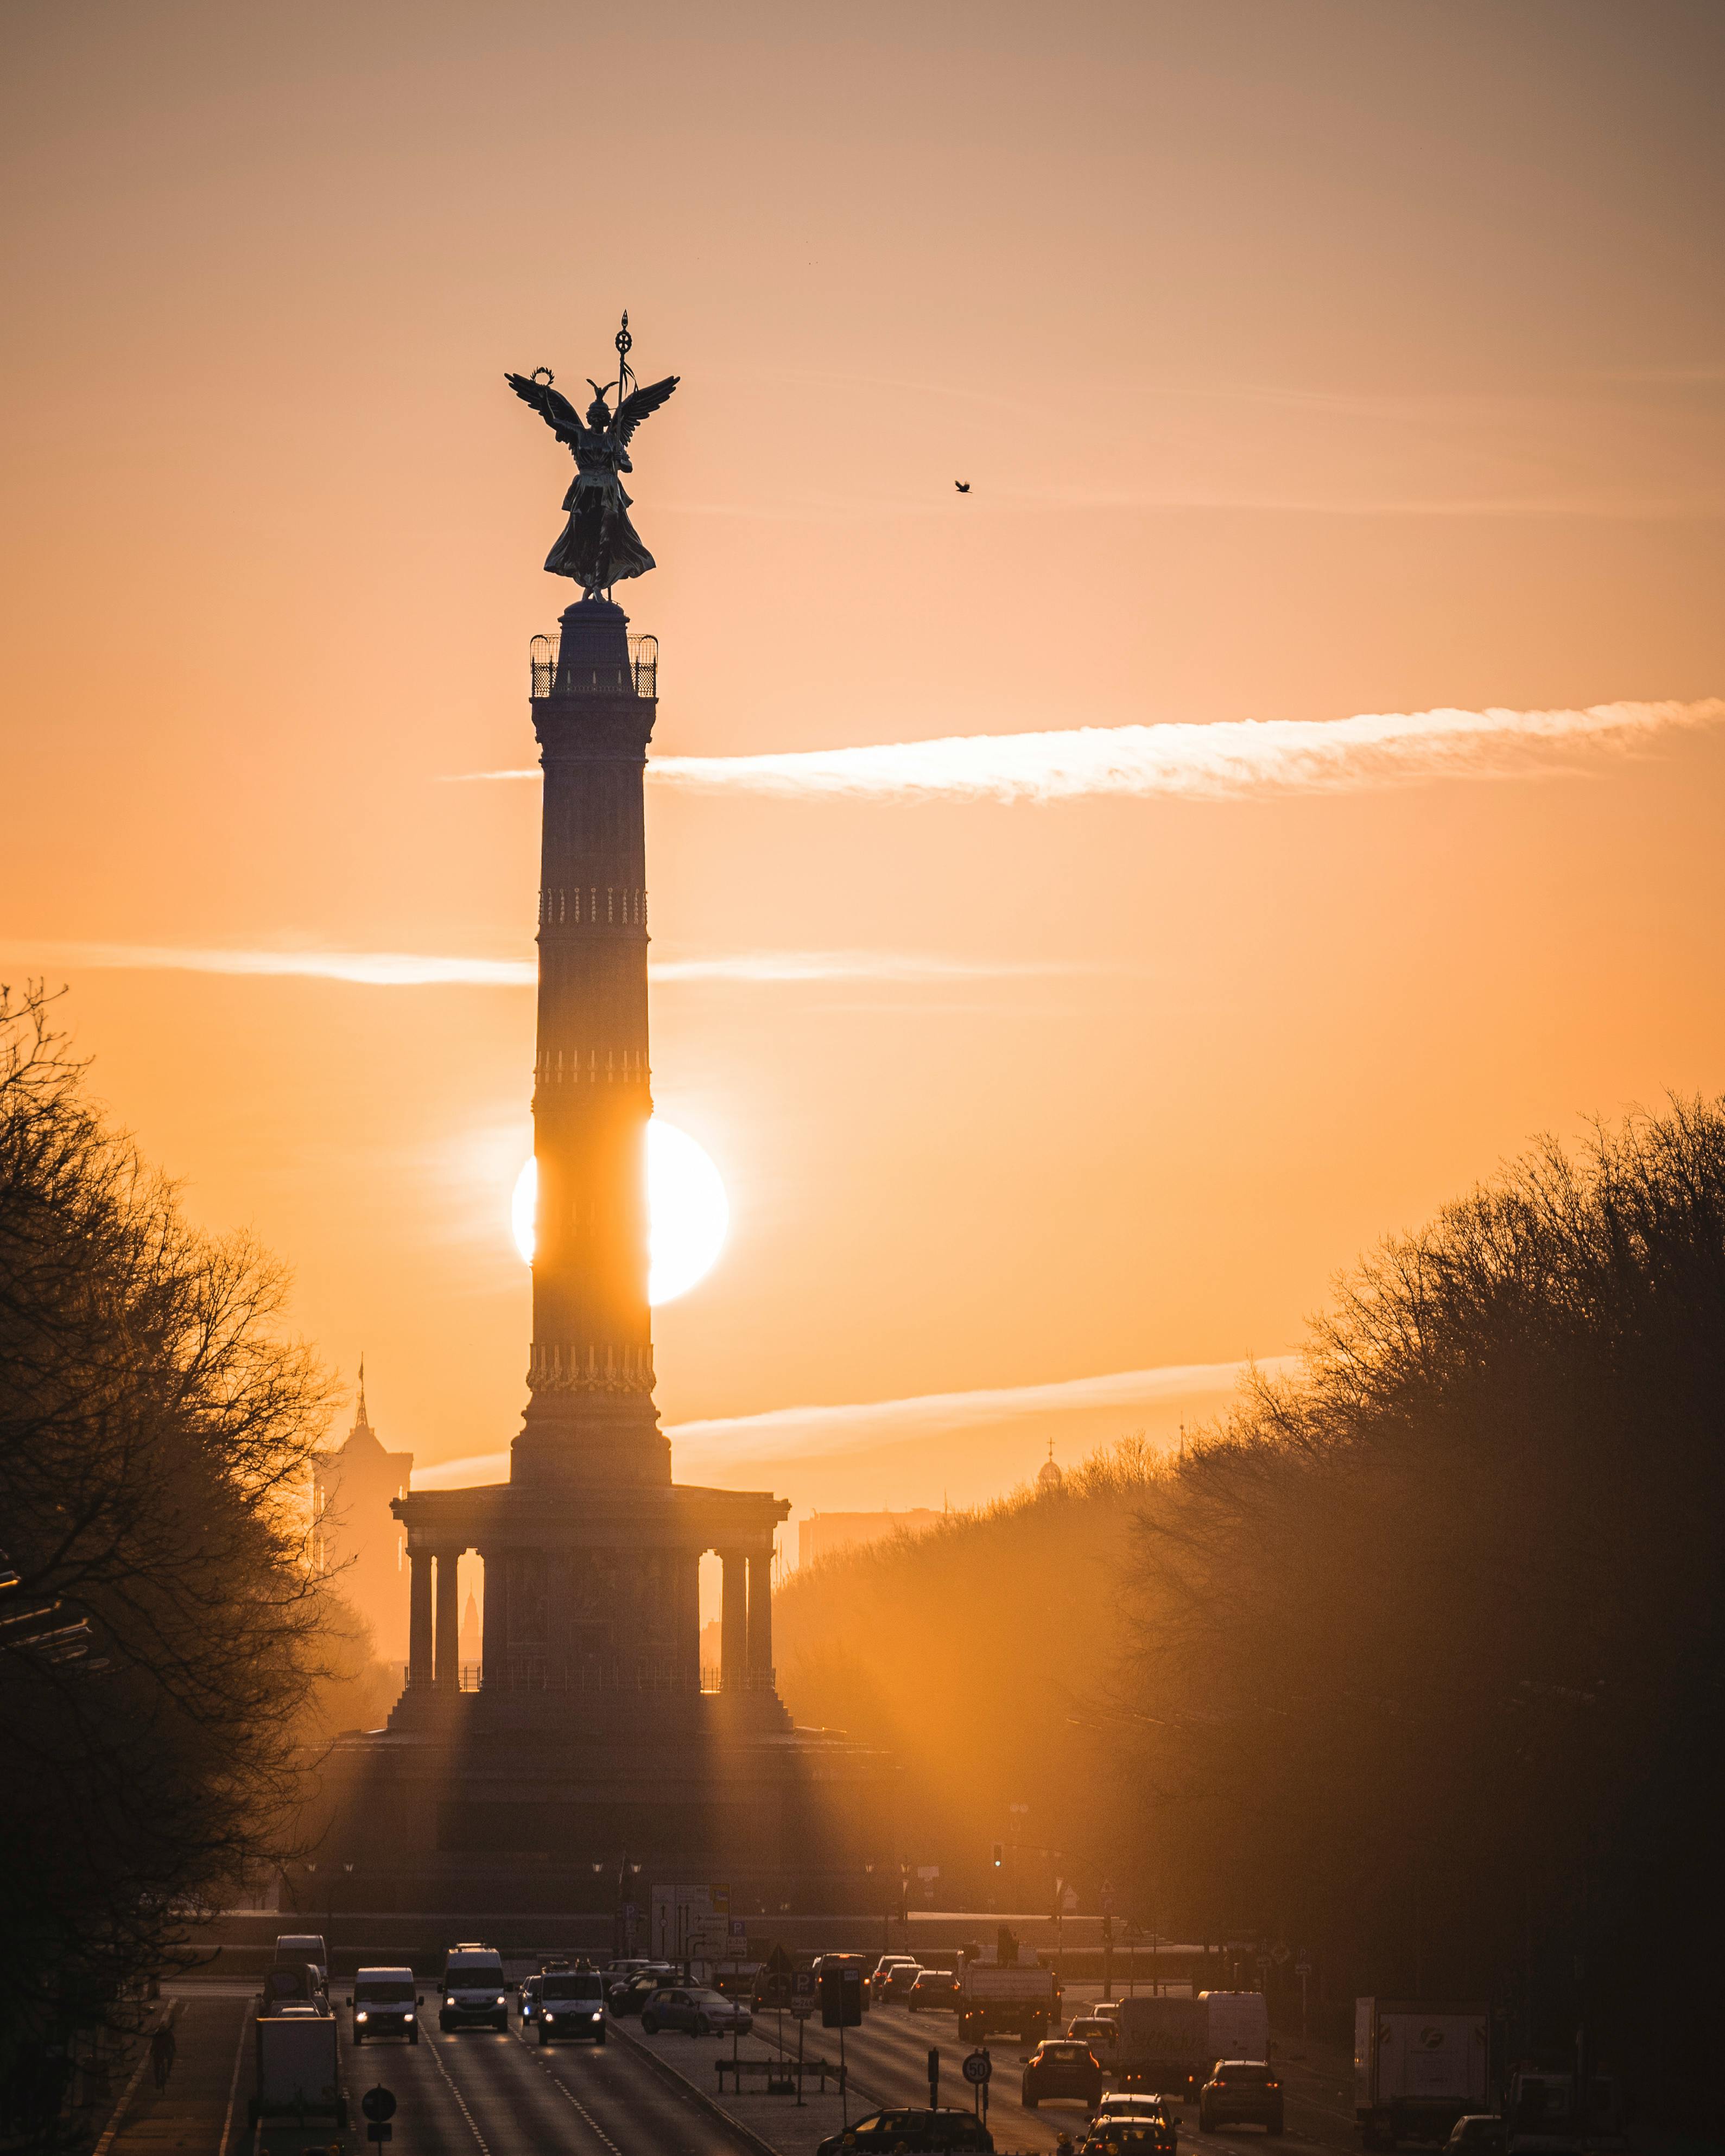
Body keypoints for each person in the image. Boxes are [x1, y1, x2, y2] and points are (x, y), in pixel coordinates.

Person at [149, 2023, 176, 2090]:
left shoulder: (157, 2034)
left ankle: (157, 2082)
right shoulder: (169, 2033)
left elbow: (153, 2044)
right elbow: (173, 2042)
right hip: (165, 2050)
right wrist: (174, 2049)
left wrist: (151, 2051)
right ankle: (168, 2072)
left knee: (157, 2067)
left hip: (159, 2051)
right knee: (170, 2058)